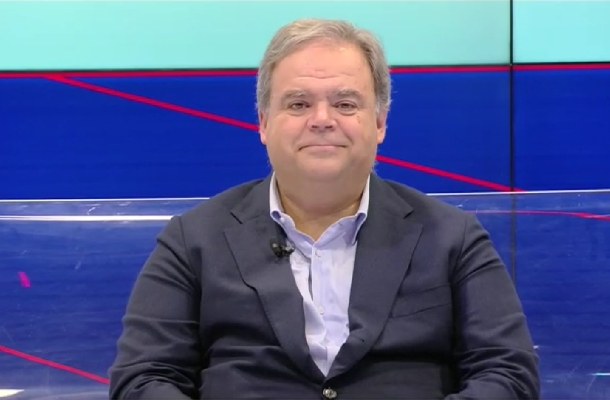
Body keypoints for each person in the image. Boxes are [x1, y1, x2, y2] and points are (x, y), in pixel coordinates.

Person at [108, 18, 540, 399]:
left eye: (345, 104)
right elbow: (143, 379)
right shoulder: (192, 240)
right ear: (263, 122)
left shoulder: (452, 238)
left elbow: (508, 374)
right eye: (298, 104)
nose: (321, 119)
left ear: (379, 122)